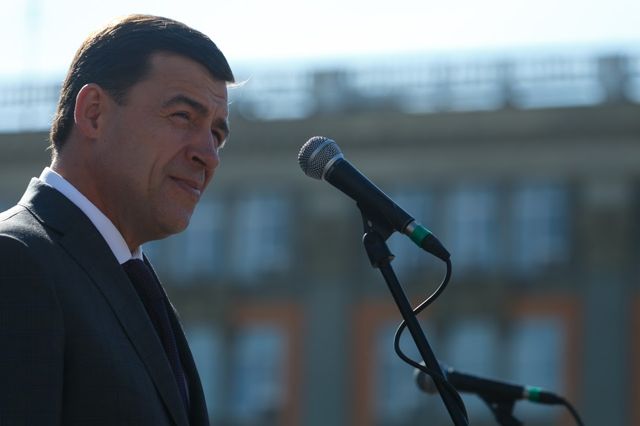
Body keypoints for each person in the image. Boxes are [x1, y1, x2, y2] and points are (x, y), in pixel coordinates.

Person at [0, 14, 234, 426]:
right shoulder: (16, 261)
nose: (208, 155)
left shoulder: (133, 284)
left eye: (216, 134)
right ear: (94, 113)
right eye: (183, 116)